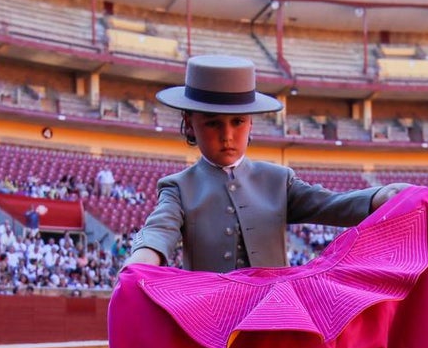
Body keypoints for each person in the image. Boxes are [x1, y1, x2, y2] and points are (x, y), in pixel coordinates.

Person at [124, 55, 408, 272]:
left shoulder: (278, 180)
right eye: (212, 123)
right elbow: (159, 229)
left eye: (237, 122)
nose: (227, 135)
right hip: (209, 318)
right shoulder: (178, 187)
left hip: (275, 315)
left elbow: (330, 204)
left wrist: (379, 197)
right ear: (189, 125)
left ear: (250, 123)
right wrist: (141, 260)